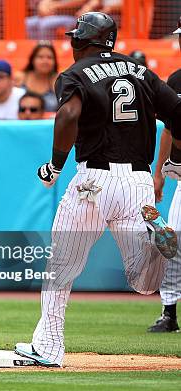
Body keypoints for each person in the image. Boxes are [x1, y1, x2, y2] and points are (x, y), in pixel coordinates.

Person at [15, 12, 181, 368]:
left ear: (86, 39)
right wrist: (174, 161)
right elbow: (178, 114)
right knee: (143, 282)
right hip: (139, 182)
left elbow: (68, 115)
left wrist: (56, 165)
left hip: (94, 180)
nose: (72, 41)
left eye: (76, 35)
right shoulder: (141, 72)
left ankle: (48, 349)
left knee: (62, 266)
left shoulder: (75, 74)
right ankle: (158, 239)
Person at [149, 16, 181, 333]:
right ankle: (169, 312)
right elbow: (168, 130)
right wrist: (158, 171)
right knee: (171, 242)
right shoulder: (176, 80)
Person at [16, 42, 59, 112]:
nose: (45, 61)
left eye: (49, 57)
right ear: (32, 60)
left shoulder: (59, 80)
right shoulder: (20, 78)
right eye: (40, 57)